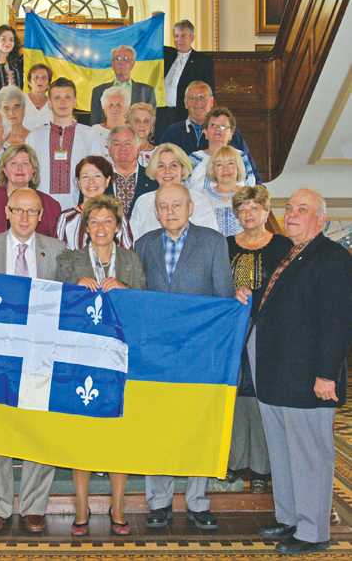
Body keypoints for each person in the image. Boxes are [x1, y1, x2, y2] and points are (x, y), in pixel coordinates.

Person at [237, 188, 352, 555]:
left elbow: (337, 321)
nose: (292, 214)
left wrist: (326, 374)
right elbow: (282, 306)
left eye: (302, 209)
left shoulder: (332, 257)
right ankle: (289, 518)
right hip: (277, 378)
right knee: (284, 454)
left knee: (310, 456)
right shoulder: (291, 254)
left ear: (320, 218)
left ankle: (314, 531)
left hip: (308, 380)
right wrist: (248, 296)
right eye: (289, 208)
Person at [135, 183, 234, 530]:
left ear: (191, 207)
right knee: (158, 428)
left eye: (177, 204)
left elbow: (223, 298)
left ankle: (197, 501)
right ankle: (159, 501)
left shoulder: (213, 242)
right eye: (163, 206)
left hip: (200, 354)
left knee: (198, 427)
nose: (170, 211)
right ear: (156, 211)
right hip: (157, 355)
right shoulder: (143, 245)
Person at [0, 187, 66, 535]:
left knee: (38, 428)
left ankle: (34, 506)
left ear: (41, 216)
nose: (25, 217)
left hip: (41, 352)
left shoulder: (57, 250)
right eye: (18, 210)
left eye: (32, 212)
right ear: (7, 212)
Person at [56, 195, 146, 537]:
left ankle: (118, 506)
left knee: (117, 434)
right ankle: (81, 506)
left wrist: (124, 290)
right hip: (80, 358)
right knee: (83, 434)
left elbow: (145, 301)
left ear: (118, 227)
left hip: (120, 359)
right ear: (85, 228)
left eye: (108, 221)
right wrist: (72, 290)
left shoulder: (132, 260)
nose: (101, 227)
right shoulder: (69, 260)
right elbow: (54, 304)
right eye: (94, 222)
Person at [222, 186, 292, 494]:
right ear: (236, 215)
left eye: (254, 208)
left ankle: (262, 467)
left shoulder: (283, 245)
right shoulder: (224, 246)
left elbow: (289, 289)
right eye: (242, 209)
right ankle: (235, 461)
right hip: (233, 331)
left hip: (270, 331)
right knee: (235, 395)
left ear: (266, 212)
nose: (248, 214)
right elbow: (218, 284)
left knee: (263, 395)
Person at [160, 81, 262, 184]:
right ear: (186, 103)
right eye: (193, 98)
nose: (198, 102)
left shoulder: (230, 133)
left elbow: (251, 173)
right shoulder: (173, 132)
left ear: (212, 101)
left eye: (203, 97)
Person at [26, 77, 104, 209]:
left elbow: (97, 174)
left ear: (75, 101)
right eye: (57, 98)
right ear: (49, 102)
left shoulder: (89, 134)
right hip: (42, 209)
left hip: (79, 209)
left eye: (67, 97)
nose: (62, 102)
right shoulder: (35, 136)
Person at [130, 143, 218, 240]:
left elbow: (211, 241)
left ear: (183, 170)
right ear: (154, 170)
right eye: (161, 166)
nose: (167, 171)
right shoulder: (142, 202)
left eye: (173, 165)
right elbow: (132, 243)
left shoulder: (199, 201)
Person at [0, 144, 60, 237]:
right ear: (4, 169)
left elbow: (54, 246)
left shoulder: (51, 206)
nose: (20, 168)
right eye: (14, 163)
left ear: (33, 169)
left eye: (25, 163)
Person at [54, 156, 133, 250]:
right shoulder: (66, 218)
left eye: (97, 176)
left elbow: (127, 255)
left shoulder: (118, 216)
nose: (91, 182)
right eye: (85, 177)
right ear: (78, 182)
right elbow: (58, 255)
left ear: (107, 180)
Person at [155, 20, 215, 141]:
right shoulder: (167, 54)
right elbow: (152, 42)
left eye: (183, 36)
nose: (179, 40)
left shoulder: (202, 61)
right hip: (163, 115)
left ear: (192, 38)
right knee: (162, 149)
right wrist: (156, 22)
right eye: (176, 36)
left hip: (186, 115)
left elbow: (209, 91)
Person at [188, 107, 257, 192]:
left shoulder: (240, 157)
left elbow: (251, 189)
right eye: (213, 125)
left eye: (223, 126)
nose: (217, 129)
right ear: (205, 132)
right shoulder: (194, 158)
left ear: (231, 134)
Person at [90, 45, 157, 126]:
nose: (121, 62)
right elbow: (94, 123)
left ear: (132, 64)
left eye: (125, 59)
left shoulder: (146, 91)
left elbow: (151, 123)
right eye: (117, 59)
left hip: (136, 137)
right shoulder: (99, 91)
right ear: (112, 64)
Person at [105, 125, 159, 219]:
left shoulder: (153, 178)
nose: (122, 148)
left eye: (128, 143)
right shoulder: (100, 179)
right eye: (117, 144)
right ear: (109, 150)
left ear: (138, 149)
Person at [201, 146, 246, 237]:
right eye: (219, 165)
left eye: (230, 163)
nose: (225, 169)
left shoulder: (248, 195)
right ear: (213, 170)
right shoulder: (202, 197)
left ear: (238, 167)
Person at [91, 87, 130, 153]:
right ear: (105, 110)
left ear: (126, 109)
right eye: (111, 105)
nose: (114, 108)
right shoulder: (94, 131)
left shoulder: (132, 131)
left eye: (119, 105)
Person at [22, 64, 54, 130]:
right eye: (36, 77)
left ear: (48, 83)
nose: (39, 80)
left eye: (44, 78)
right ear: (29, 82)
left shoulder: (54, 104)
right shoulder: (20, 102)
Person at [128, 102, 157, 167]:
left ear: (152, 127)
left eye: (146, 121)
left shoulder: (159, 153)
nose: (141, 125)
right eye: (137, 121)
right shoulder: (121, 151)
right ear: (129, 125)